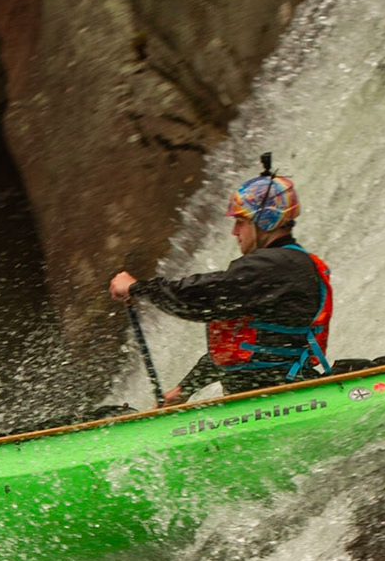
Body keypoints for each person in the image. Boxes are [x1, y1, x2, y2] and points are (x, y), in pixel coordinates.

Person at [110, 165, 333, 404]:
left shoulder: (272, 266)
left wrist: (138, 288)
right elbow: (249, 350)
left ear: (265, 221)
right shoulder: (283, 265)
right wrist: (185, 389)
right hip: (268, 395)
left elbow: (198, 299)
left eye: (240, 222)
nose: (234, 231)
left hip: (277, 400)